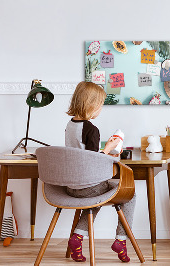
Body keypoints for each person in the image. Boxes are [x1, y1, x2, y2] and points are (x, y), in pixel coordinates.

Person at [65, 81, 135, 263]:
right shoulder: (91, 129)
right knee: (130, 194)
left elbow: (82, 154)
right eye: (100, 105)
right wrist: (109, 149)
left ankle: (77, 238)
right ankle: (121, 240)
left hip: (71, 186)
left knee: (96, 197)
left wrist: (104, 150)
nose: (101, 109)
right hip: (88, 186)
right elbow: (92, 161)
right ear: (92, 105)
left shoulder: (70, 125)